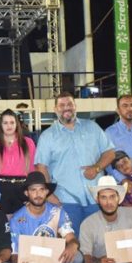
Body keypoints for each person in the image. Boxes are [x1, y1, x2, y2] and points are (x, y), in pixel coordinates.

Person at [34, 92, 115, 236]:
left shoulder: (92, 127)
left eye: (69, 104)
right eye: (62, 105)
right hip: (65, 201)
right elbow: (41, 168)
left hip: (96, 199)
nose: (66, 108)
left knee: (100, 241)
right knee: (72, 244)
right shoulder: (47, 137)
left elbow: (110, 152)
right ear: (55, 109)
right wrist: (48, 194)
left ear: (75, 106)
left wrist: (97, 168)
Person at [4, 172, 83, 263]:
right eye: (33, 190)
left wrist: (73, 244)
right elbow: (14, 254)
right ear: (27, 193)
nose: (38, 194)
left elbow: (71, 238)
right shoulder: (17, 219)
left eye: (41, 189)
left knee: (77, 257)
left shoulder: (57, 213)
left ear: (47, 192)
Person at [0, 109, 37, 218]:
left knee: (23, 222)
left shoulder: (28, 143)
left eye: (12, 122)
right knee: (4, 224)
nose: (9, 126)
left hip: (23, 188)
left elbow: (32, 169)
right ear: (1, 125)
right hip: (2, 189)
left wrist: (32, 192)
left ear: (17, 124)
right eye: (5, 123)